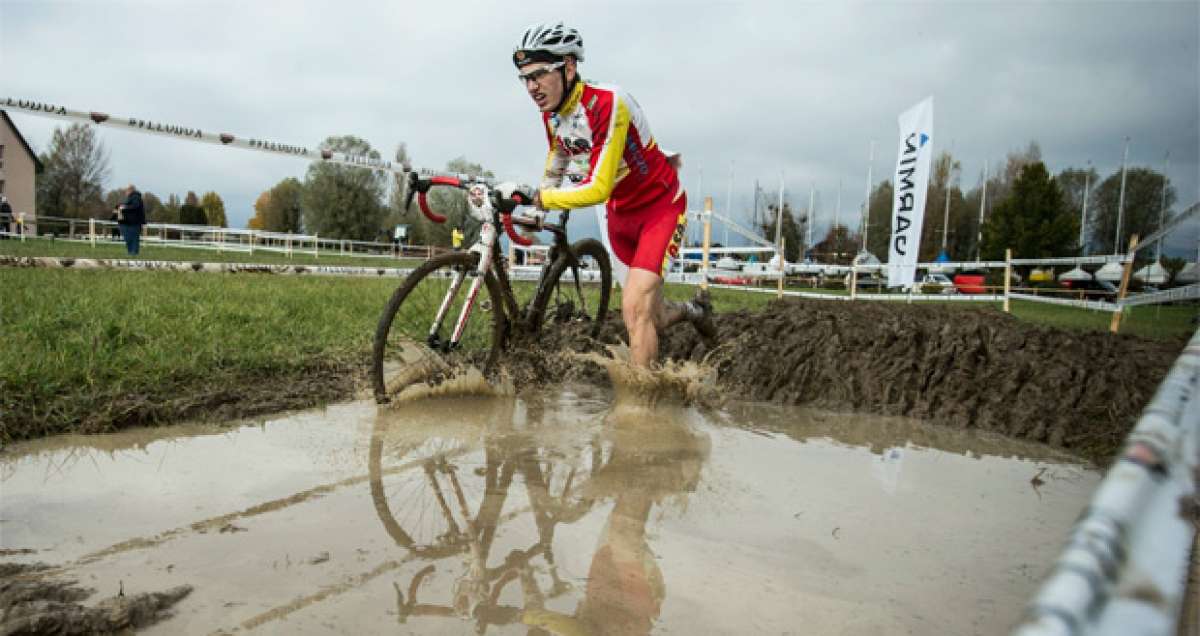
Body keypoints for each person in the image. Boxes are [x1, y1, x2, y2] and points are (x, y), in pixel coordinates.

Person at [512, 22, 716, 367]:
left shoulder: (609, 102)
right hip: (618, 216)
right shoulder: (553, 116)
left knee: (636, 309)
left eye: (540, 75)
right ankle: (694, 311)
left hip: (659, 208)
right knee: (649, 316)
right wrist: (538, 210)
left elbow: (598, 187)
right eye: (525, 78)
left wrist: (540, 199)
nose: (532, 87)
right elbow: (558, 159)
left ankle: (639, 414)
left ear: (569, 67)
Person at [114, 184, 146, 256]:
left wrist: (124, 207)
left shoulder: (135, 197)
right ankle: (131, 252)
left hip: (134, 222)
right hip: (130, 222)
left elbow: (135, 206)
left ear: (130, 190)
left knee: (133, 238)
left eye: (126, 190)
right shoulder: (132, 197)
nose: (125, 192)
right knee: (130, 238)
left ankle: (133, 253)